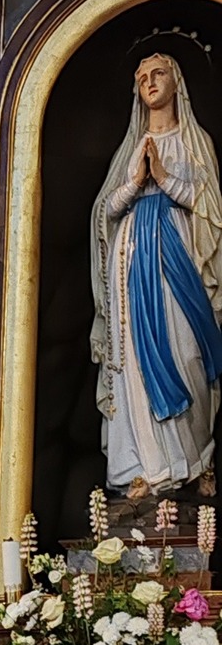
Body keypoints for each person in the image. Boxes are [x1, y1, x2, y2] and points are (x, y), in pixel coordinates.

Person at [91, 49, 222, 495]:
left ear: (176, 81)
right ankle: (144, 469)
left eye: (158, 72)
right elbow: (105, 211)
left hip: (180, 263)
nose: (149, 81)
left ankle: (198, 458)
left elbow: (211, 208)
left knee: (188, 354)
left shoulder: (194, 142)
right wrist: (135, 183)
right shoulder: (131, 148)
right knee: (133, 363)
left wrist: (164, 179)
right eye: (142, 76)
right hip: (132, 268)